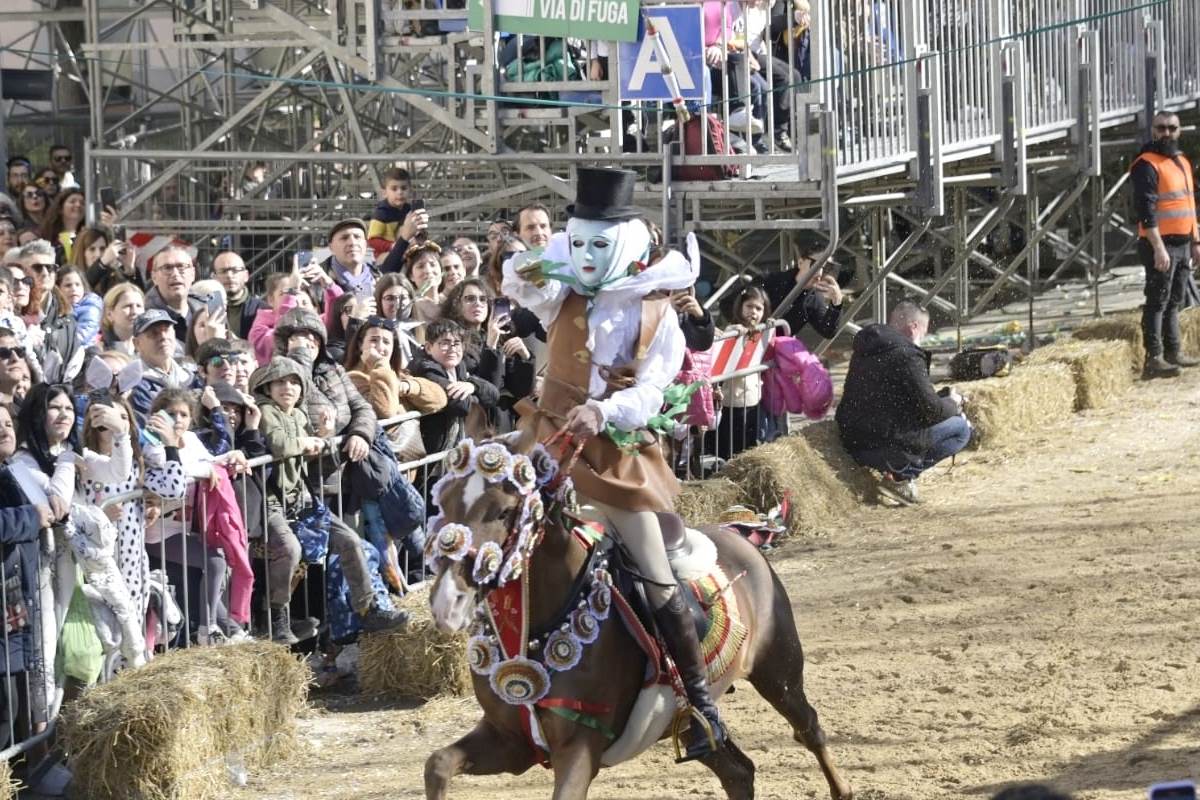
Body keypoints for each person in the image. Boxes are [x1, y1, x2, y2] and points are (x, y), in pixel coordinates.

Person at [502, 166, 727, 762]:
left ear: (625, 243)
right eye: (577, 244)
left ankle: (700, 704)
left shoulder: (658, 313)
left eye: (598, 245)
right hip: (547, 438)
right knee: (488, 520)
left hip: (613, 454)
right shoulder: (563, 292)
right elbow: (522, 282)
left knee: (657, 576)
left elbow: (654, 389)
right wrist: (538, 261)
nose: (586, 256)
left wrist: (604, 410)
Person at [251, 356, 406, 636]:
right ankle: (276, 618)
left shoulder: (299, 415)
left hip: (302, 499)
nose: (288, 388)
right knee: (290, 550)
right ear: (267, 388)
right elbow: (279, 444)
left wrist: (324, 435)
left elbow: (309, 455)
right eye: (280, 382)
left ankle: (368, 609)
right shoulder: (265, 411)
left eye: (294, 382)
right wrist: (305, 442)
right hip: (272, 502)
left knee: (349, 540)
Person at [835, 301, 971, 505]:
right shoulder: (907, 354)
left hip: (852, 442)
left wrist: (941, 397)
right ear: (914, 327)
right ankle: (902, 477)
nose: (923, 337)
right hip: (885, 448)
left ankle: (899, 474)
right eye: (924, 331)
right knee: (961, 428)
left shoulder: (867, 347)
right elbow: (931, 411)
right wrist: (953, 403)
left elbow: (896, 398)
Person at [1129, 110, 1200, 378]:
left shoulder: (1181, 160)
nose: (1166, 133)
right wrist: (1158, 247)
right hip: (1160, 245)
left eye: (1172, 128)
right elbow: (1145, 210)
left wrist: (1196, 241)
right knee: (1157, 300)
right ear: (1153, 131)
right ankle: (1154, 358)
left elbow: (1189, 205)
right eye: (1161, 128)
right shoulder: (1146, 164)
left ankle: (1173, 351)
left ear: (1179, 130)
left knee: (1174, 301)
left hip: (1183, 243)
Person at [128, 309, 202, 420]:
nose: (163, 337)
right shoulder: (133, 383)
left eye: (166, 330)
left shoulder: (192, 376)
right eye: (154, 333)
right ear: (137, 343)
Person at [366, 167, 428, 262]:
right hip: (384, 255)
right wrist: (392, 246)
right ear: (384, 193)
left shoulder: (409, 210)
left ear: (410, 191)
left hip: (406, 250)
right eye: (394, 189)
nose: (400, 192)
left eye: (404, 188)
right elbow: (372, 240)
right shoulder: (381, 213)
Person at [144, 246, 203, 345]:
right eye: (167, 268)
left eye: (181, 266)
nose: (175, 274)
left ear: (193, 273)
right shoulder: (142, 316)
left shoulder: (207, 312)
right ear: (154, 277)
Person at [213, 251, 264, 339]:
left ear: (246, 275)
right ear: (214, 277)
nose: (229, 275)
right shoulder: (208, 310)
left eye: (235, 270)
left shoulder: (261, 310)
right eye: (223, 271)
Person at [77, 226, 140, 296]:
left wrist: (129, 270)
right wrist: (102, 263)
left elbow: (137, 297)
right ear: (81, 253)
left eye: (102, 249)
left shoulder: (112, 276)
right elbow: (80, 287)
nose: (98, 254)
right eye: (92, 249)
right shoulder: (72, 274)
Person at [55, 266, 103, 347]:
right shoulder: (55, 308)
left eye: (78, 285)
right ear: (58, 289)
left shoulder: (90, 307)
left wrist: (59, 343)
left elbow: (83, 334)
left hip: (86, 349)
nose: (74, 289)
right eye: (68, 285)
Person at [38, 188, 85, 265]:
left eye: (82, 203)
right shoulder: (46, 235)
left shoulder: (87, 234)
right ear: (60, 208)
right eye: (72, 201)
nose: (78, 205)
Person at [98, 283, 145, 355]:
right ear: (109, 314)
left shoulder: (150, 348)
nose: (134, 312)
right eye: (128, 306)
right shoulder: (98, 351)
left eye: (139, 306)